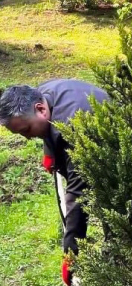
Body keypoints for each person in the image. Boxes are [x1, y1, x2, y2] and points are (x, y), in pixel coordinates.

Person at [0, 79, 108, 286]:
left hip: (120, 158)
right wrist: (50, 150)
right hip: (91, 141)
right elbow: (48, 121)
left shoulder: (75, 127)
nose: (27, 138)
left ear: (39, 109)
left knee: (113, 212)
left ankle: (116, 259)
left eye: (26, 130)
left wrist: (71, 255)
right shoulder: (41, 94)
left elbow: (78, 197)